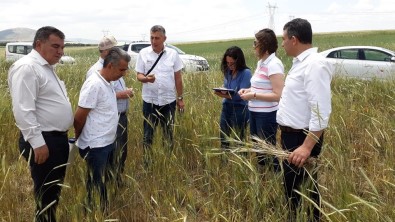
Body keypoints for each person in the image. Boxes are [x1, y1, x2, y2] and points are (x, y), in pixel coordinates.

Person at [8, 26, 73, 222]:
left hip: (55, 139)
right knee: (46, 194)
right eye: (55, 46)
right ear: (39, 44)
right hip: (44, 141)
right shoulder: (27, 67)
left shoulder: (46, 67)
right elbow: (23, 110)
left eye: (62, 47)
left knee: (52, 192)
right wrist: (38, 143)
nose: (60, 52)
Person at [277, 18, 334, 221]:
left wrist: (306, 147)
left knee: (306, 191)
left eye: (283, 39)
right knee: (292, 189)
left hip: (302, 139)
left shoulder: (315, 65)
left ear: (294, 39)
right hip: (291, 136)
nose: (281, 43)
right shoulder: (300, 63)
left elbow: (321, 111)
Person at [74, 47, 131, 211]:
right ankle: (93, 212)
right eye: (122, 69)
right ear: (110, 66)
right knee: (96, 183)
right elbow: (79, 117)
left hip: (107, 142)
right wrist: (79, 136)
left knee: (104, 180)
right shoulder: (94, 84)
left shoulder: (107, 83)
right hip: (95, 145)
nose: (124, 74)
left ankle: (103, 210)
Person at [87, 35, 134, 184]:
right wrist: (124, 93)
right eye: (116, 49)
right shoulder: (95, 71)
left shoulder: (115, 65)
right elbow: (99, 98)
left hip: (120, 116)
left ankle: (116, 179)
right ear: (107, 51)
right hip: (109, 119)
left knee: (120, 151)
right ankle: (107, 183)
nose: (119, 51)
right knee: (109, 153)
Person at [135, 25, 184, 166]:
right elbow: (138, 75)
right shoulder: (143, 53)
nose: (154, 41)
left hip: (168, 101)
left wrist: (180, 98)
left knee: (168, 134)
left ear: (164, 38)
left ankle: (167, 162)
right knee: (148, 134)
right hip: (149, 101)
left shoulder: (173, 54)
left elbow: (178, 78)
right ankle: (147, 163)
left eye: (157, 38)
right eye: (152, 37)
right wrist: (146, 79)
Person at [239, 28, 284, 170]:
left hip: (266, 115)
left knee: (268, 149)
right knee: (258, 147)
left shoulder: (274, 64)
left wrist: (253, 95)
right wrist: (249, 90)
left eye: (255, 43)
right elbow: (261, 87)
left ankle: (276, 176)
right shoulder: (261, 63)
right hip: (254, 112)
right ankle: (264, 177)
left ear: (264, 46)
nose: (253, 46)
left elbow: (278, 95)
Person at [215, 46, 251, 149]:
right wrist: (222, 91)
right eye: (227, 63)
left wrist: (226, 95)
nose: (229, 65)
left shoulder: (246, 73)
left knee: (239, 140)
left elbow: (242, 95)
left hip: (240, 109)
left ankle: (241, 162)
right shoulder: (228, 72)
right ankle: (224, 162)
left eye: (232, 63)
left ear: (239, 61)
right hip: (226, 107)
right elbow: (227, 88)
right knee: (223, 138)